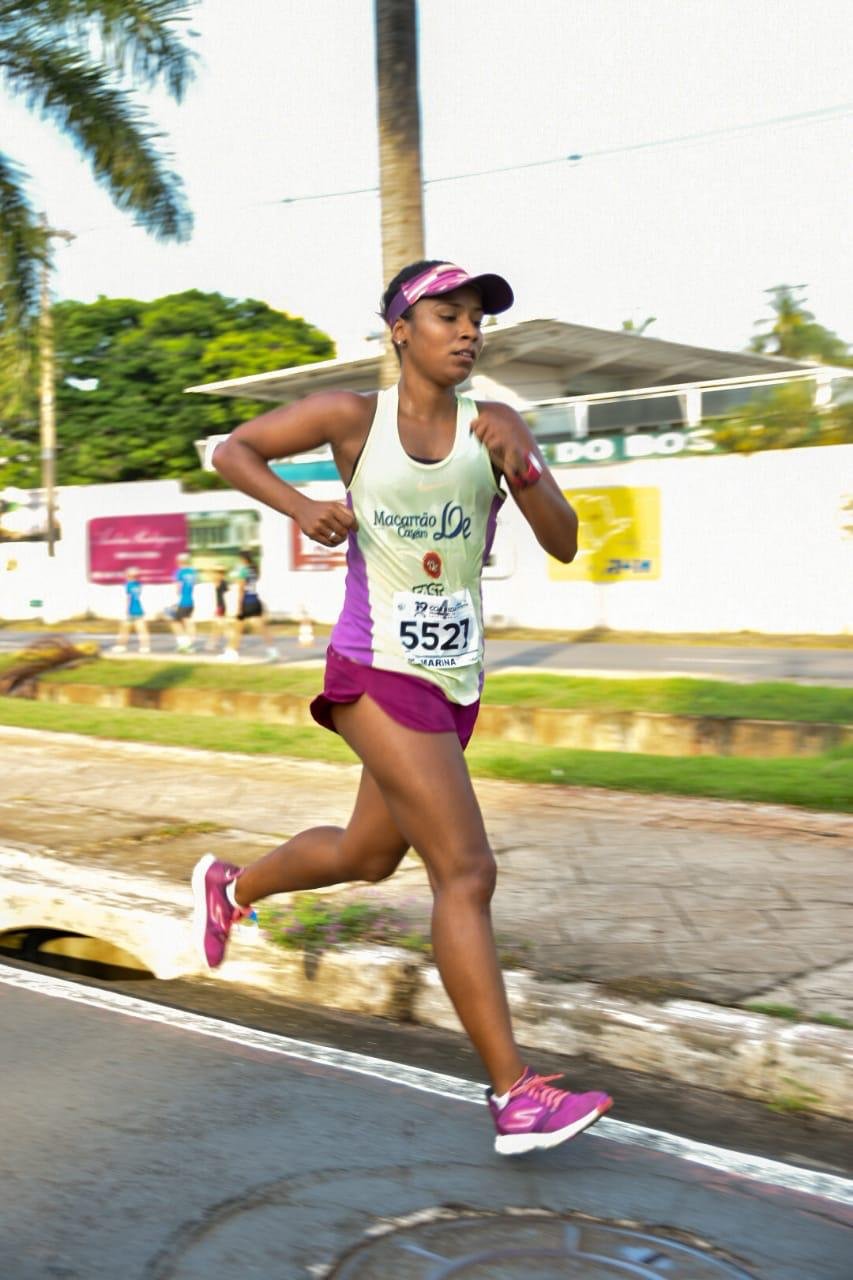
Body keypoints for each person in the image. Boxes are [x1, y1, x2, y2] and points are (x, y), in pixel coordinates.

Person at [192, 260, 612, 1154]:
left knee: (369, 855)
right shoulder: (353, 418)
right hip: (374, 668)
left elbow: (566, 542)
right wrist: (301, 506)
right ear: (399, 330)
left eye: (475, 319)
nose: (467, 331)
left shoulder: (493, 427)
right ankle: (514, 1095)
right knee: (465, 871)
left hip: (454, 677)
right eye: (446, 315)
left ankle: (232, 887)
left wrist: (525, 465)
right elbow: (232, 450)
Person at [221, 549, 278, 662]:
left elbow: (241, 590)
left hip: (246, 602)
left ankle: (232, 653)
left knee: (237, 629)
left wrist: (239, 606)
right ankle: (273, 651)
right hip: (255, 601)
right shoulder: (254, 570)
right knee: (263, 628)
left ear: (242, 559)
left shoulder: (243, 571)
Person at [111, 566, 150, 654]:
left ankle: (121, 646)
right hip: (138, 609)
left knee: (124, 629)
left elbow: (128, 598)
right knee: (141, 629)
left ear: (128, 575)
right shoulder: (138, 585)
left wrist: (126, 610)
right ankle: (145, 647)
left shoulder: (128, 585)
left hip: (130, 610)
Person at [168, 552, 198, 652]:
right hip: (190, 600)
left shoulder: (180, 572)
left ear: (180, 561)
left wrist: (174, 601)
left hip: (183, 600)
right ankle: (190, 643)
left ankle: (184, 644)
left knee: (175, 622)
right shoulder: (193, 571)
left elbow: (178, 588)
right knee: (188, 621)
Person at [205, 566, 231, 653]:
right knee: (218, 626)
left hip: (220, 606)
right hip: (221, 606)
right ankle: (212, 644)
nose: (216, 574)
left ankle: (229, 642)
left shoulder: (219, 581)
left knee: (220, 626)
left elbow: (213, 579)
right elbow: (227, 591)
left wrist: (211, 571)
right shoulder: (224, 582)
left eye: (218, 572)